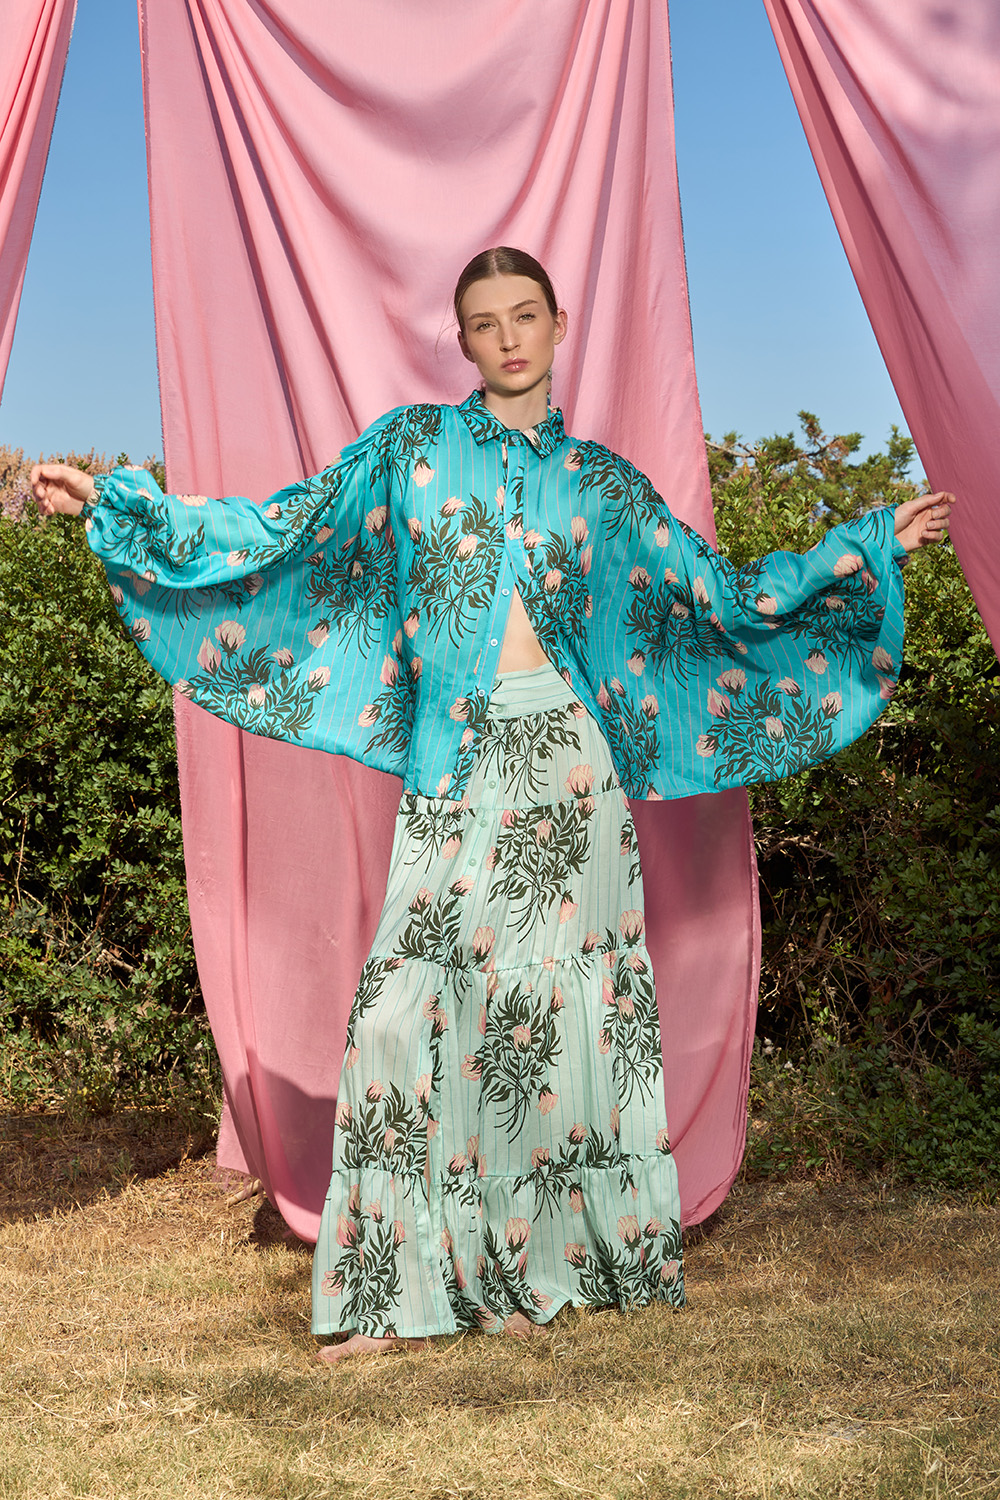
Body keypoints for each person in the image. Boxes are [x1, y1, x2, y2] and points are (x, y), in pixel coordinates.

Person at [33, 247, 954, 1362]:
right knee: (405, 1012)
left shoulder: (602, 486)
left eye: (526, 315)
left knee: (551, 1019)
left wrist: (863, 548)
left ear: (559, 324)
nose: (509, 337)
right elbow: (280, 530)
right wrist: (118, 502)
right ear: (463, 341)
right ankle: (391, 1289)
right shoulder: (412, 450)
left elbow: (719, 595)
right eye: (485, 322)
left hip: (572, 771)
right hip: (456, 759)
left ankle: (532, 1270)